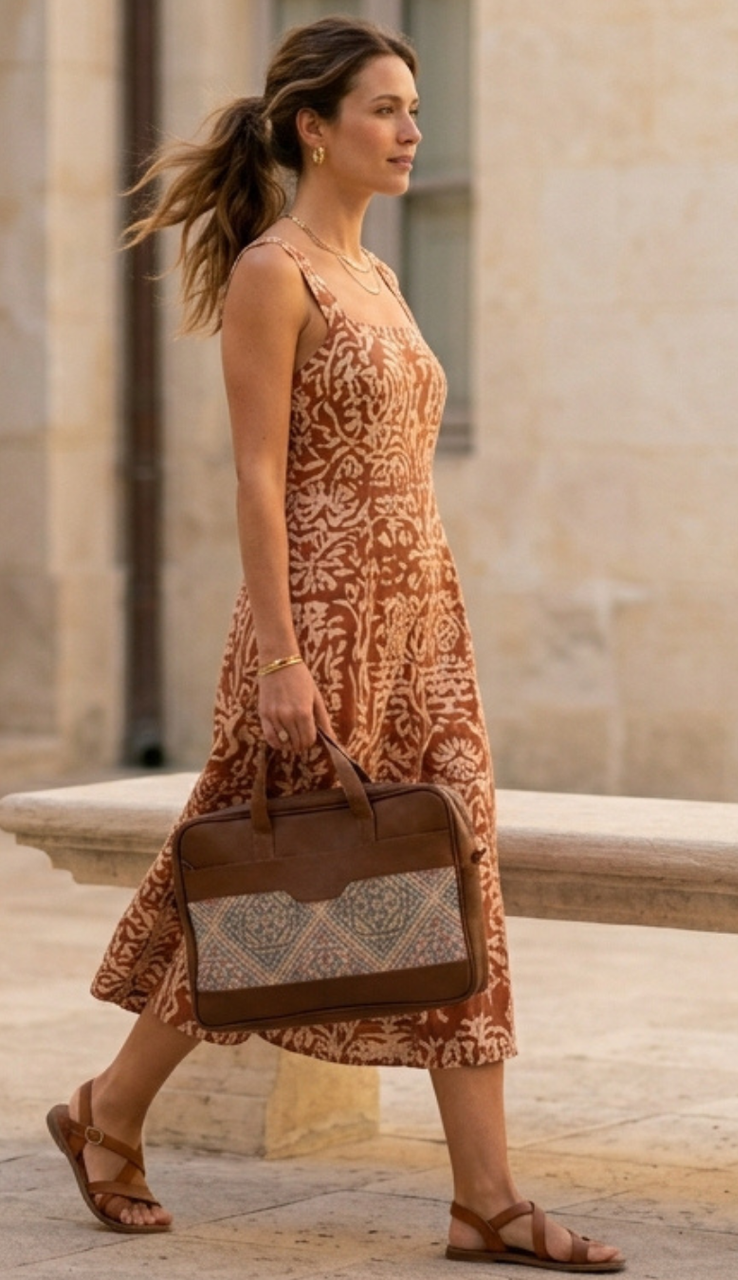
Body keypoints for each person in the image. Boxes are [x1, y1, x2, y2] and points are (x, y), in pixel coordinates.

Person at [43, 16, 623, 1274]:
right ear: (315, 127)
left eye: (417, 109)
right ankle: (107, 1109)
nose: (412, 131)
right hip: (318, 622)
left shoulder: (383, 277)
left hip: (423, 622)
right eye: (385, 109)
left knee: (454, 885)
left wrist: (416, 621)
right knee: (273, 891)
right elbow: (258, 479)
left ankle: (485, 1199)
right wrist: (280, 660)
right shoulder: (276, 271)